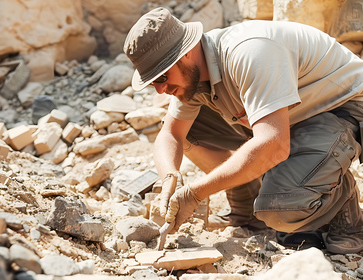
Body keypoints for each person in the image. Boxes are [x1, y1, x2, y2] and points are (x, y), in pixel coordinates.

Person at [123, 7, 363, 254]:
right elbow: (171, 134)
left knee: (279, 209)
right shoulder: (193, 74)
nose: (160, 90)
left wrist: (195, 194)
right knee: (190, 132)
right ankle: (246, 210)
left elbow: (274, 144)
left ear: (185, 53)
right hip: (286, 118)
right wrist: (169, 179)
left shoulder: (249, 53)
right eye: (153, 83)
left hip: (341, 108)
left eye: (162, 77)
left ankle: (347, 215)